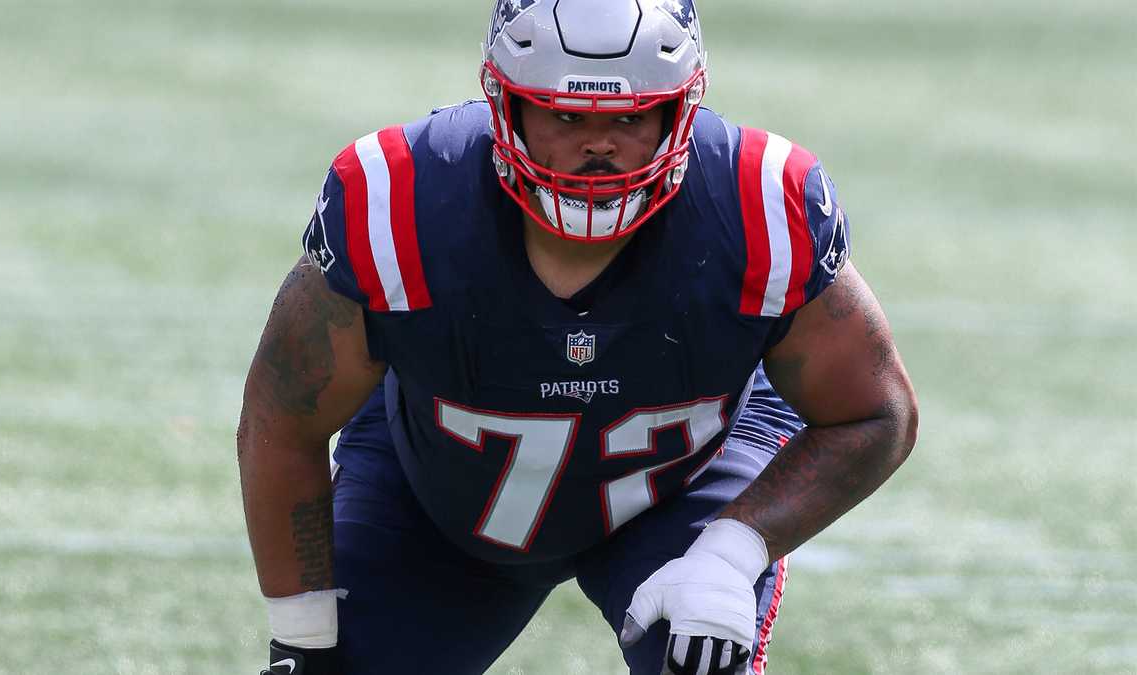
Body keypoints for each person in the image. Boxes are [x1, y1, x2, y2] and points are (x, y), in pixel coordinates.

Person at [237, 1, 919, 673]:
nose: (599, 144)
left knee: (701, 644)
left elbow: (875, 412)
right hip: (435, 500)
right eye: (565, 115)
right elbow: (282, 417)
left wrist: (734, 548)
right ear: (505, 103)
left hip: (682, 489)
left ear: (680, 108)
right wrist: (302, 638)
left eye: (631, 115)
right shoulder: (400, 199)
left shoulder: (761, 203)